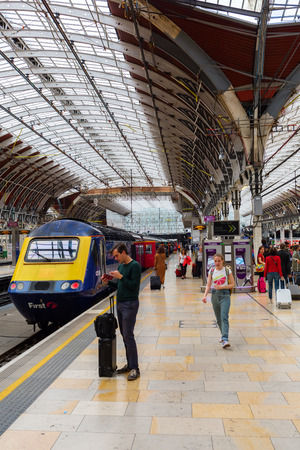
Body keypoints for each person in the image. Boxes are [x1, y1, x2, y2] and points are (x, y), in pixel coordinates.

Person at [101, 243, 141, 381]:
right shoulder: (120, 267)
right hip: (121, 303)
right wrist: (108, 283)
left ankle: (135, 368)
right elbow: (120, 285)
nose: (116, 258)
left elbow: (134, 287)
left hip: (130, 304)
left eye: (117, 256)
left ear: (124, 253)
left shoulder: (134, 266)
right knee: (124, 335)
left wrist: (121, 277)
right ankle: (130, 365)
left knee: (128, 335)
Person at [202, 254, 235, 348]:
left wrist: (222, 287)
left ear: (222, 261)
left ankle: (225, 339)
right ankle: (223, 334)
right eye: (215, 261)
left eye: (219, 261)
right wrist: (205, 296)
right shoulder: (212, 271)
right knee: (218, 318)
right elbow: (208, 285)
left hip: (225, 295)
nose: (217, 263)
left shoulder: (227, 270)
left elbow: (232, 284)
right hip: (215, 295)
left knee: (224, 316)